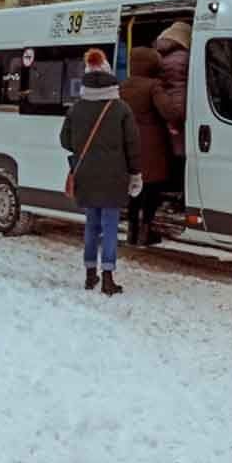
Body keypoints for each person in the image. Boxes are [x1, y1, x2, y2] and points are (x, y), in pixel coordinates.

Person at [60, 48, 142, 295]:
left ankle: (89, 275)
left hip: (85, 175)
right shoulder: (120, 109)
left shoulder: (76, 108)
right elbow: (133, 145)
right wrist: (135, 174)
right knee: (109, 226)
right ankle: (108, 277)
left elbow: (65, 141)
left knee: (91, 225)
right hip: (114, 177)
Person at [120, 46, 173, 246]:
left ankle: (132, 231)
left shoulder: (123, 86)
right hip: (153, 147)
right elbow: (169, 112)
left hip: (129, 144)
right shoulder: (154, 86)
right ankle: (146, 230)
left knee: (135, 189)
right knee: (152, 189)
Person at [154, 20, 192, 182]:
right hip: (183, 105)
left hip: (167, 106)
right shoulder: (185, 57)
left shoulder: (160, 57)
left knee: (174, 151)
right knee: (185, 153)